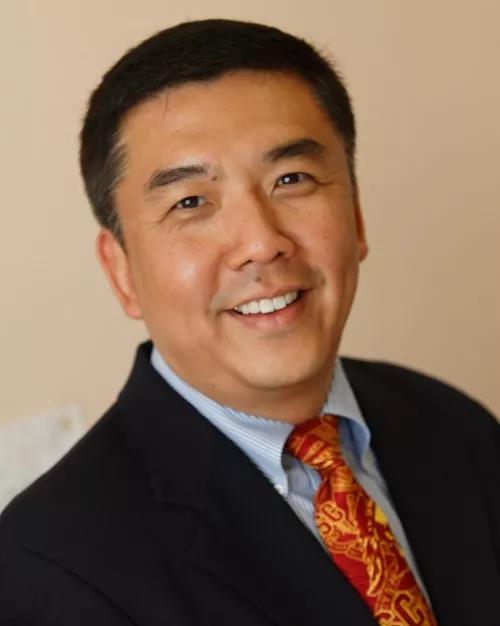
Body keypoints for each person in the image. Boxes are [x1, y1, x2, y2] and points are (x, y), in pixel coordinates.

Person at [0, 18, 498, 626]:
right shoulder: (47, 572)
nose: (262, 243)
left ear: (357, 217)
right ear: (121, 270)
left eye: (292, 180)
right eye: (191, 202)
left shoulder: (453, 424)